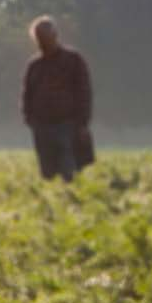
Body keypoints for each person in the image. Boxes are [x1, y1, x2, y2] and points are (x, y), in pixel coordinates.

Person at [21, 17, 94, 182]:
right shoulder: (34, 66)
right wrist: (29, 118)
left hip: (68, 123)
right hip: (42, 125)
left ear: (55, 36)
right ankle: (57, 201)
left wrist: (83, 122)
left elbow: (84, 92)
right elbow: (27, 94)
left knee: (68, 168)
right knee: (47, 171)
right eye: (40, 39)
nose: (43, 42)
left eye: (46, 38)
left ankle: (70, 199)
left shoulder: (73, 60)